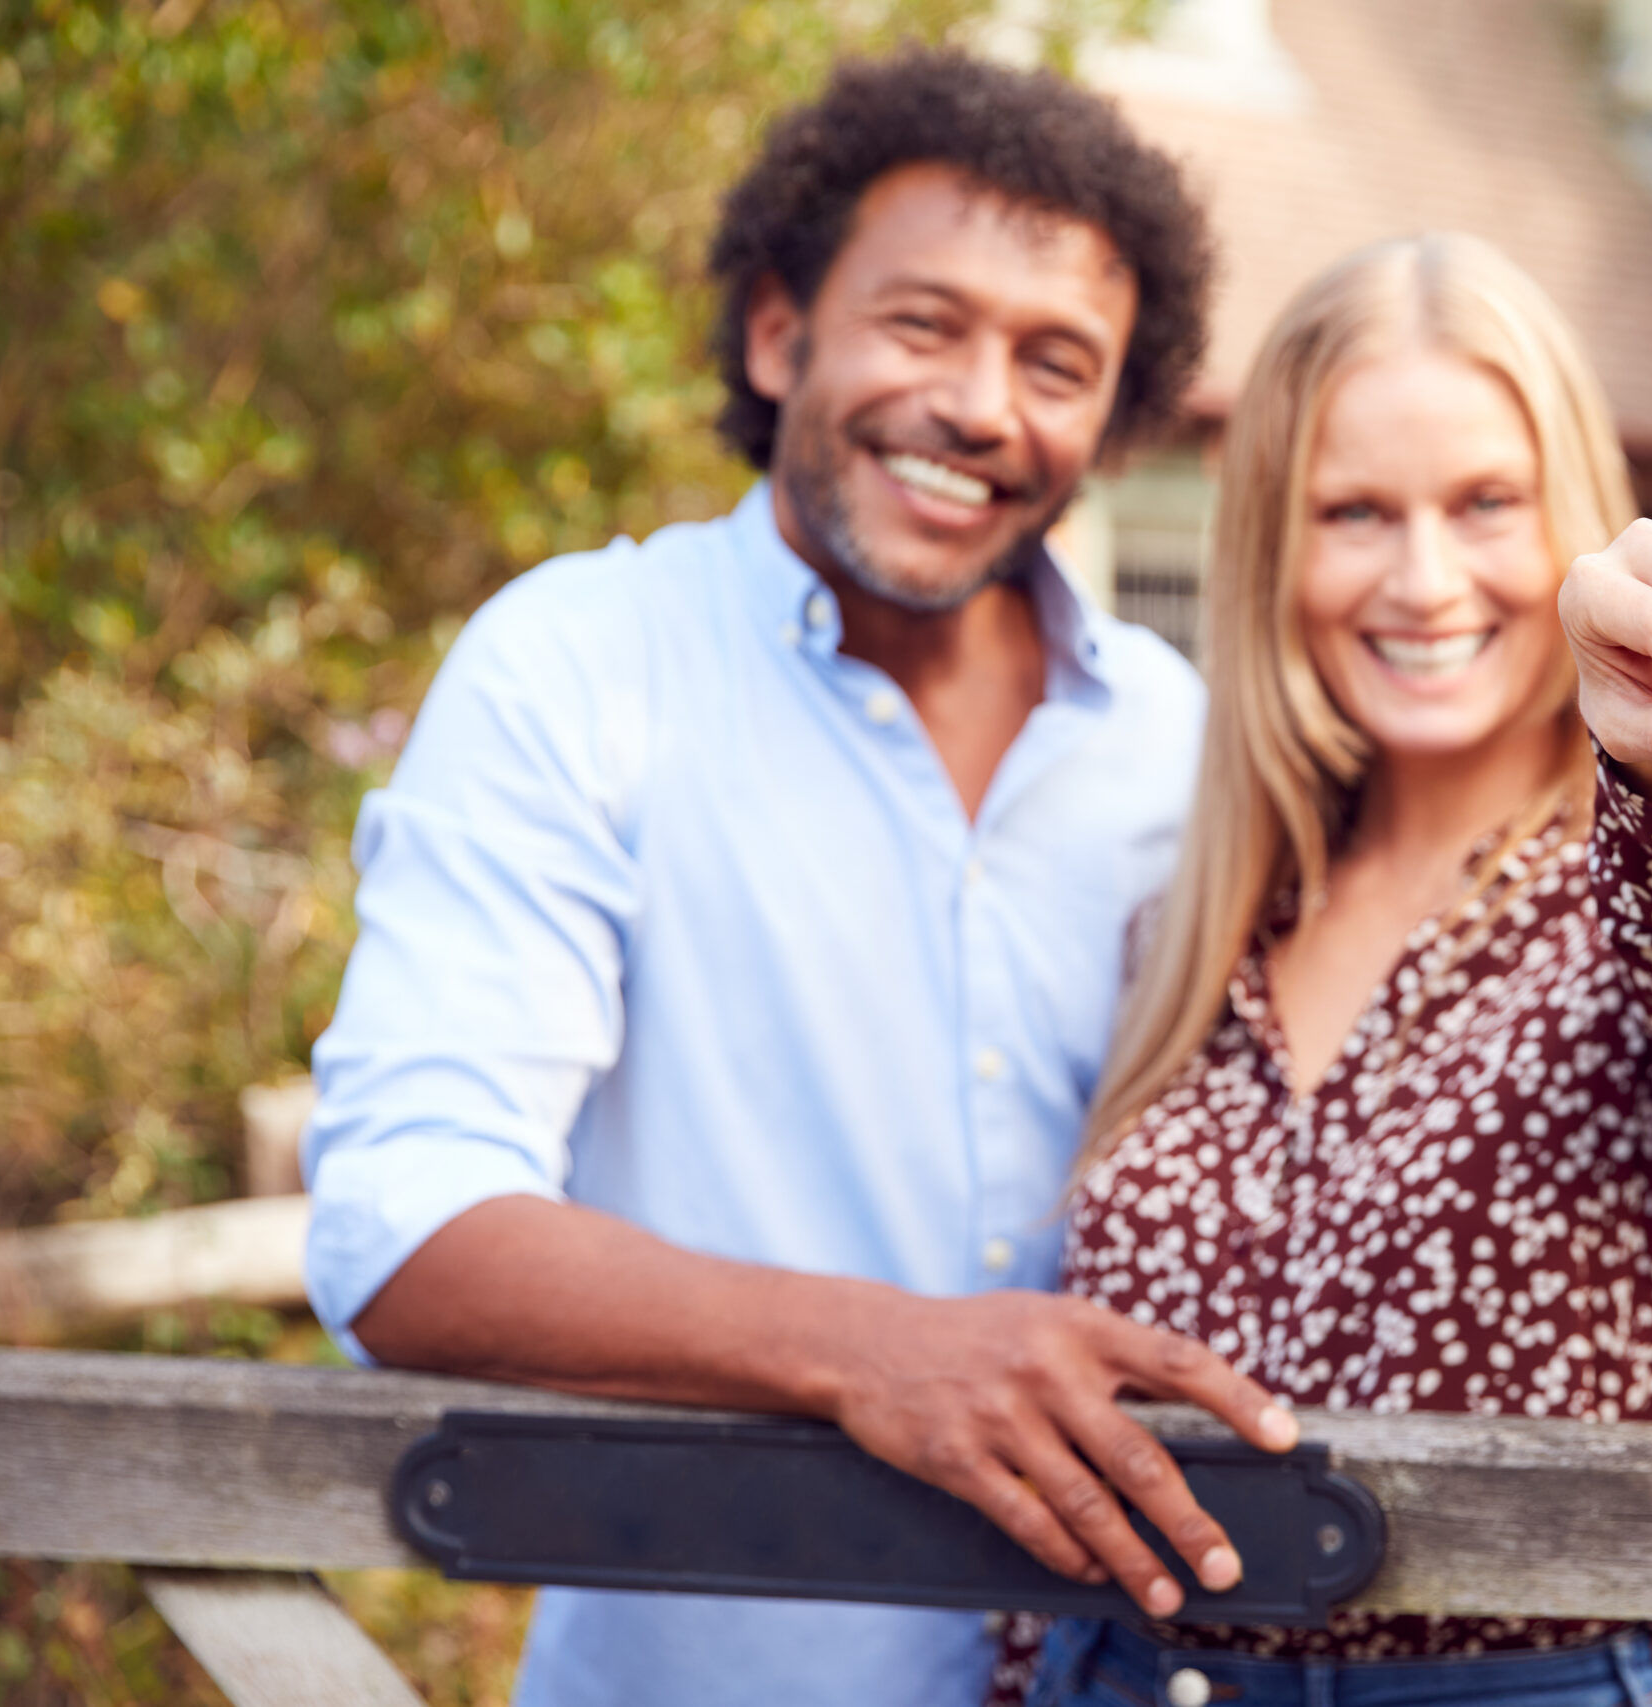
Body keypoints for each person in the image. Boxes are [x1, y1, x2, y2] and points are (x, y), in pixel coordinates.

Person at [300, 49, 1301, 1707]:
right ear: (782, 335)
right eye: (924, 324)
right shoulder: (580, 668)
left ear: (1110, 422)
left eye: (1057, 362)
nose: (983, 405)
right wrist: (876, 1350)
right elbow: (405, 1235)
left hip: (1126, 1675)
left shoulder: (1182, 750)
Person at [997, 234, 1652, 1707]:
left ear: (1572, 526)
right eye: (1353, 511)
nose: (1424, 578)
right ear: (1274, 540)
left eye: (1485, 504)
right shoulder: (1198, 920)